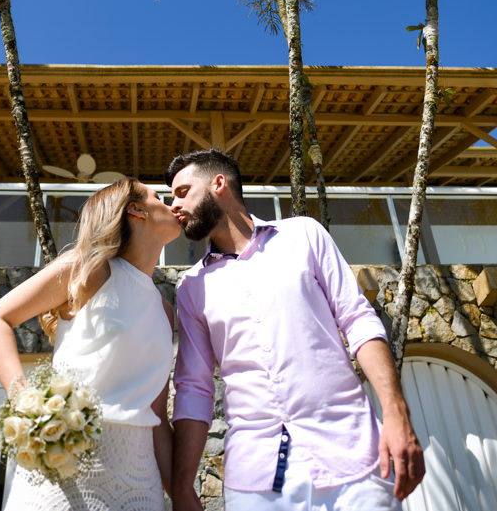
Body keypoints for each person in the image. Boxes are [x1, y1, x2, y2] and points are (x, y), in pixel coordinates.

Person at [166, 149, 426, 511]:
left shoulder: (305, 235)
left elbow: (357, 318)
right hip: (255, 484)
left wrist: (397, 415)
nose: (173, 205)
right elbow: (194, 386)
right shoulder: (191, 288)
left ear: (219, 184)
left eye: (182, 192)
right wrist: (181, 488)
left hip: (353, 462)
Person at [0, 178, 181, 511]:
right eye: (158, 197)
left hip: (140, 477)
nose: (171, 203)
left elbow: (157, 414)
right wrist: (24, 400)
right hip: (65, 467)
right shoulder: (89, 269)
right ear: (136, 210)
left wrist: (181, 494)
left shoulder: (164, 310)